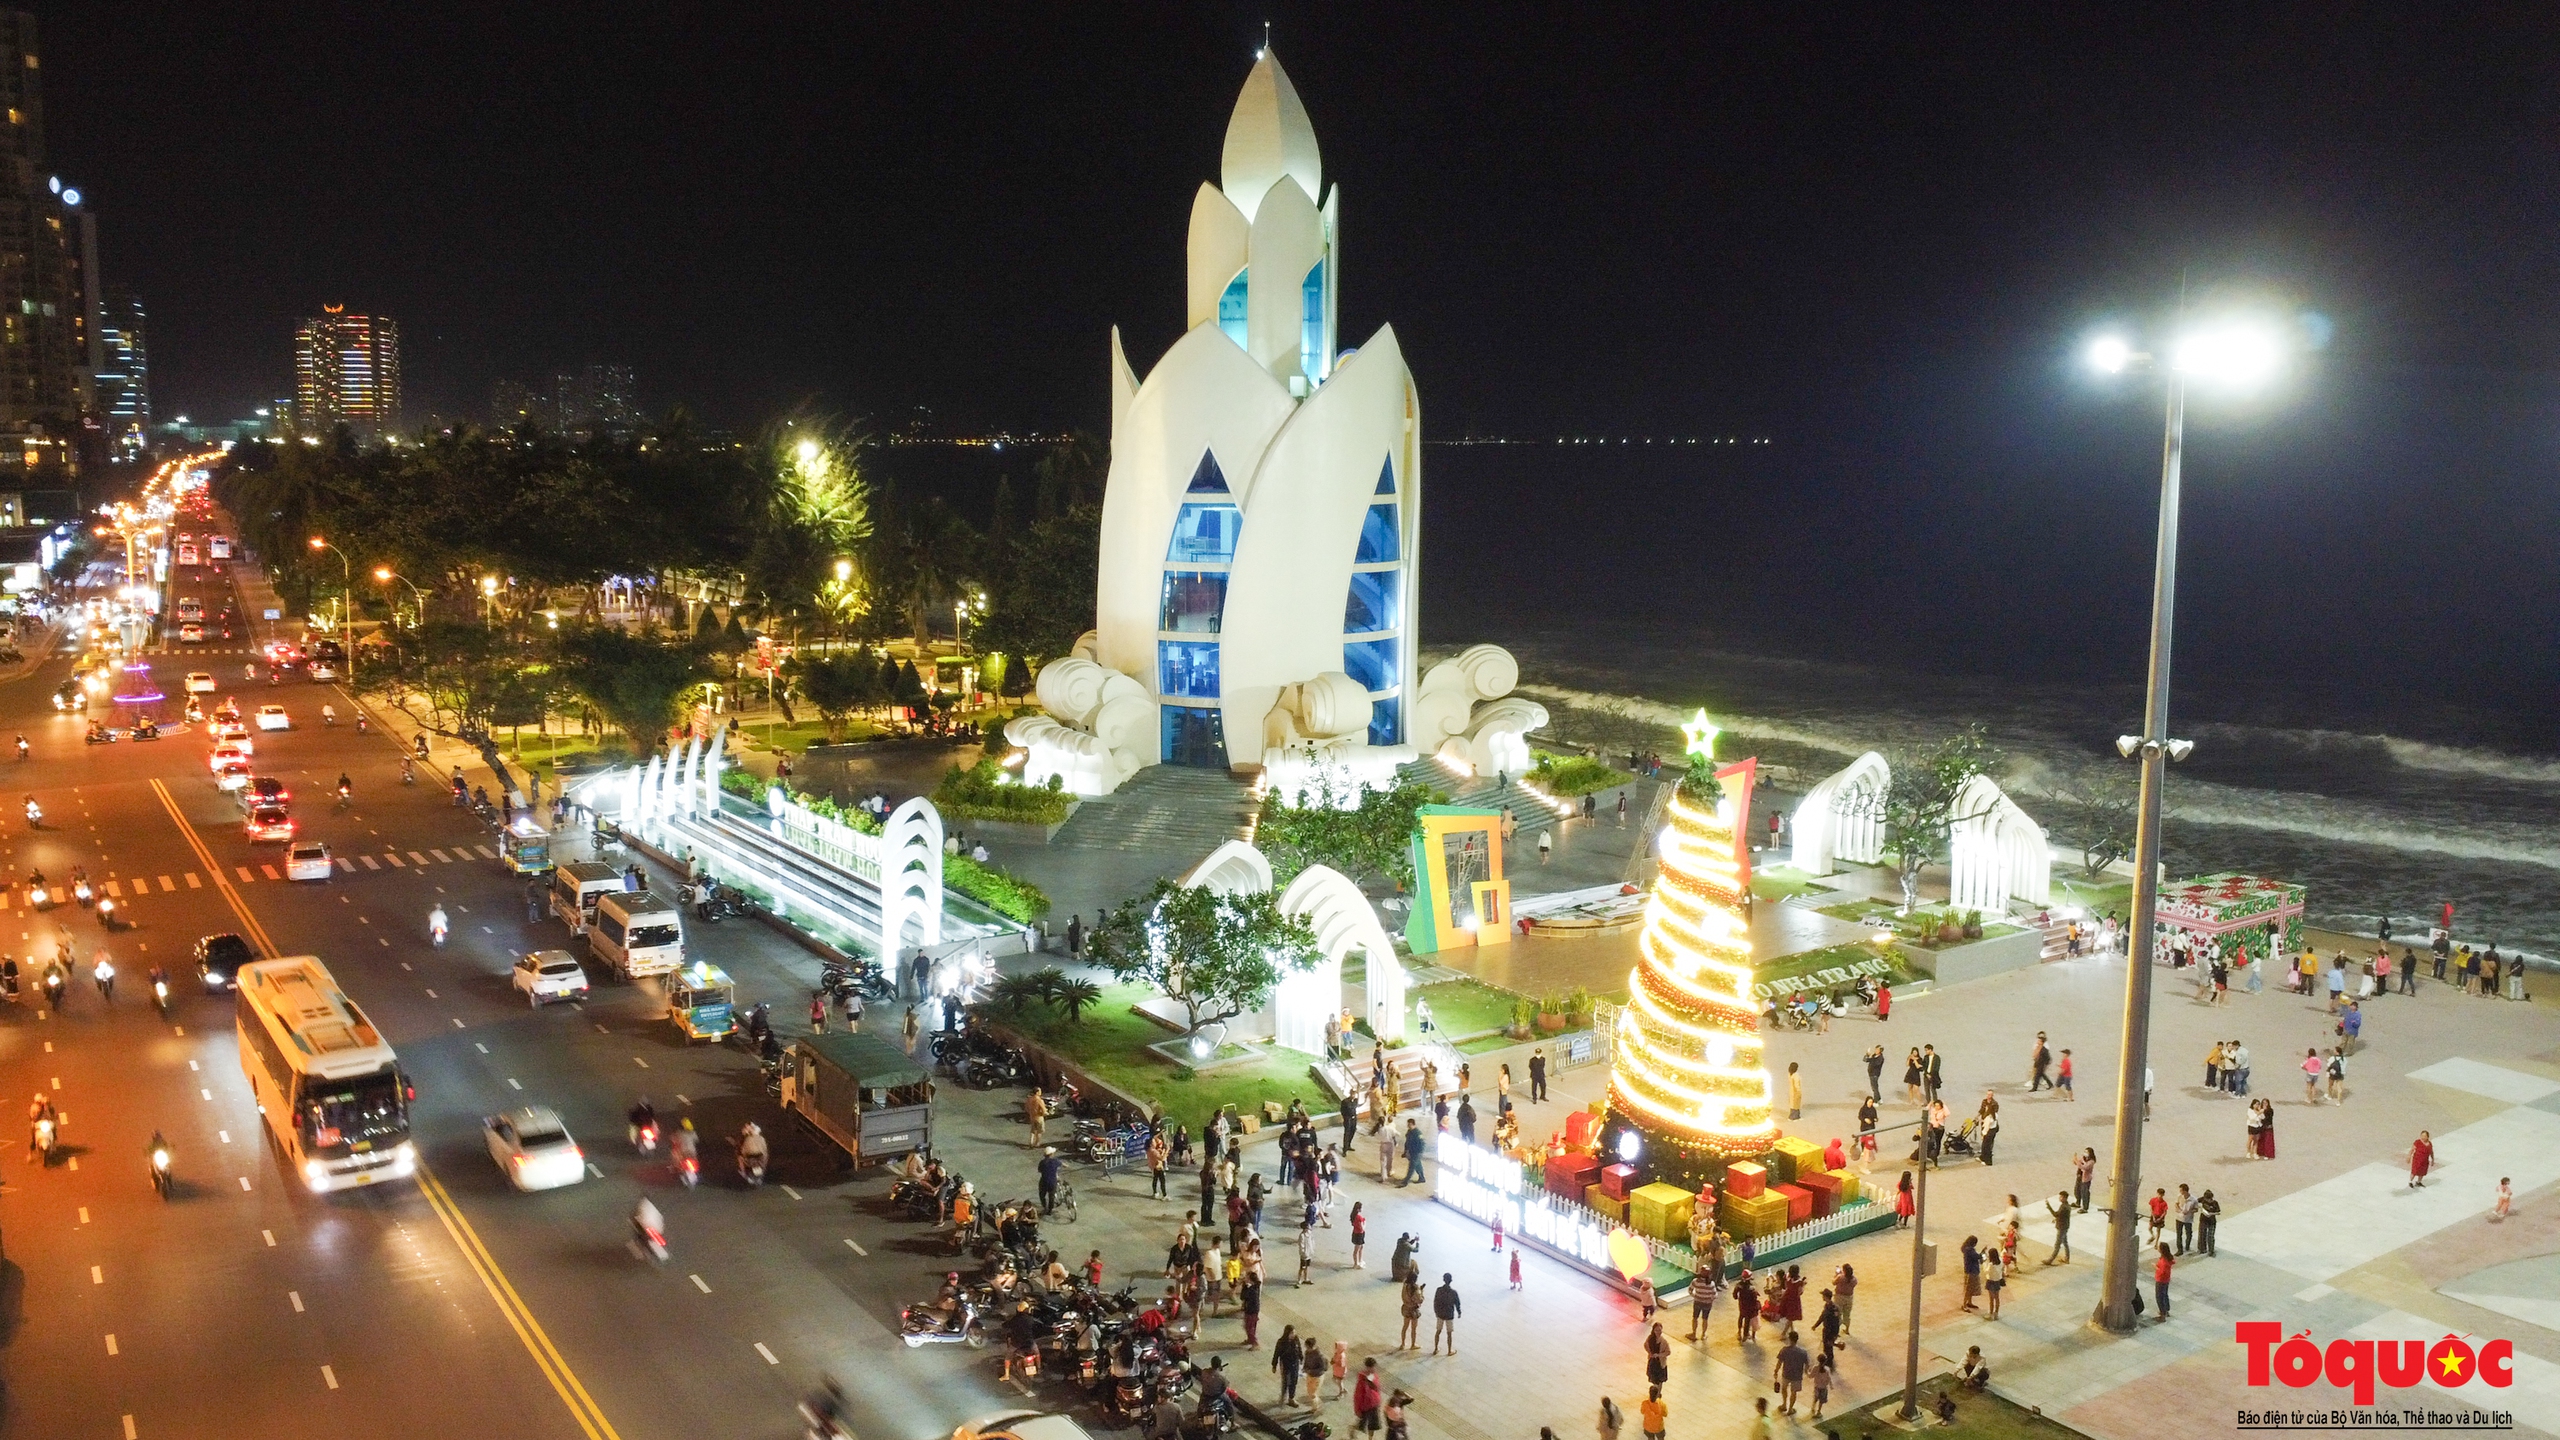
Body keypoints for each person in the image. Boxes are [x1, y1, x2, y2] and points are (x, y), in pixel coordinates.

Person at [1773, 1329, 1808, 1414]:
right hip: (1797, 1376)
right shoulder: (1803, 1352)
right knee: (1794, 1392)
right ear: (1797, 1339)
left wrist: (1776, 1371)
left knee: (1784, 1389)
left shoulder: (1784, 1350)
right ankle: (1790, 1409)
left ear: (1789, 1339)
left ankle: (1784, 1404)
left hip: (1786, 1374)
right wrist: (1806, 1372)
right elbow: (1807, 1364)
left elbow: (1779, 1362)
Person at [1430, 1271, 1461, 1355]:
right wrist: (1459, 1312)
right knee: (1449, 1333)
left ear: (1443, 1279)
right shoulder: (1453, 1292)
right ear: (1451, 1280)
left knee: (1438, 1331)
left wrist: (1436, 1311)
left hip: (1440, 1314)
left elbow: (1435, 1302)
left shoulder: (1439, 1290)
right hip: (1449, 1314)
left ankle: (1436, 1348)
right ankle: (1449, 1350)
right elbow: (1457, 1303)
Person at [2045, 1190, 2073, 1264]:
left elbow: (2056, 1214)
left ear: (2064, 1198)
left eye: (2060, 1197)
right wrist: (2056, 1219)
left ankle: (2050, 1260)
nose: (2059, 1198)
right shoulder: (2066, 1206)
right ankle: (2067, 1257)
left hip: (2062, 1227)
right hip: (2065, 1226)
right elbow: (2062, 1216)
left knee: (2057, 1244)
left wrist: (2049, 1206)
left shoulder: (2064, 1207)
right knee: (2065, 1242)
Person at [2152, 1243, 2174, 1320]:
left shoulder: (2164, 1261)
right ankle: (2166, 1309)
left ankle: (2162, 1314)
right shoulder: (2168, 1258)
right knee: (2165, 1295)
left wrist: (2155, 1267)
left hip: (2161, 1280)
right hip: (2166, 1280)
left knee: (2159, 1297)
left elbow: (2162, 1272)